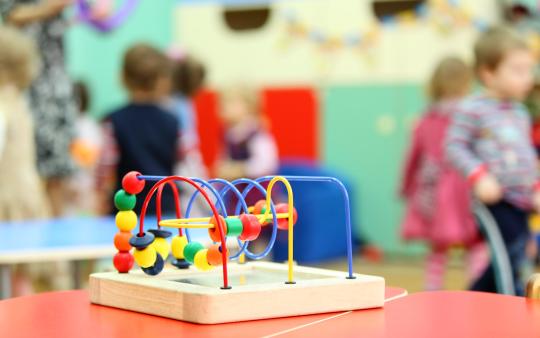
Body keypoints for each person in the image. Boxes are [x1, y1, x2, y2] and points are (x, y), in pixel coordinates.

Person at [446, 26, 539, 295]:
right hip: (494, 202)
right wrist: (479, 176)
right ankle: (514, 309)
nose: (528, 78)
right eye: (518, 70)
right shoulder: (472, 109)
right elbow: (454, 146)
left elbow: (526, 156)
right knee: (509, 259)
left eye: (529, 70)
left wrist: (535, 188)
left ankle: (472, 300)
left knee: (514, 255)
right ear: (488, 73)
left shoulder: (520, 112)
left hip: (521, 201)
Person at [400, 56, 487, 290]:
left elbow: (412, 158)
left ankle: (432, 290)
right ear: (467, 82)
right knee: (475, 242)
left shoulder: (426, 118)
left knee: (438, 247)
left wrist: (406, 186)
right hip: (466, 188)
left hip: (435, 190)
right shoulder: (473, 115)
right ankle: (477, 290)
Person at [0, 0, 77, 217]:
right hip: (35, 86)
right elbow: (11, 14)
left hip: (52, 82)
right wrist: (48, 8)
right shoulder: (9, 106)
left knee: (56, 169)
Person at [96, 43, 182, 215]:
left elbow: (106, 166)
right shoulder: (173, 120)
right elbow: (185, 164)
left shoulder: (114, 120)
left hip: (127, 209)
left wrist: (99, 198)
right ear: (161, 79)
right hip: (165, 208)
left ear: (123, 78)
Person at [0, 26, 51, 295]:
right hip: (26, 194)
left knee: (12, 271)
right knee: (22, 275)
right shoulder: (18, 101)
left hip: (8, 199)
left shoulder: (3, 105)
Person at [216, 86, 278, 181]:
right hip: (237, 190)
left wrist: (241, 169)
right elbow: (225, 157)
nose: (222, 108)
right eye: (221, 104)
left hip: (258, 190)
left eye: (230, 103)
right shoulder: (227, 133)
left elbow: (267, 163)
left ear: (249, 106)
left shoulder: (256, 131)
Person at [69, 81, 102, 215]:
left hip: (85, 184)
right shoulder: (90, 125)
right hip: (73, 184)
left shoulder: (89, 126)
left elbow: (92, 158)